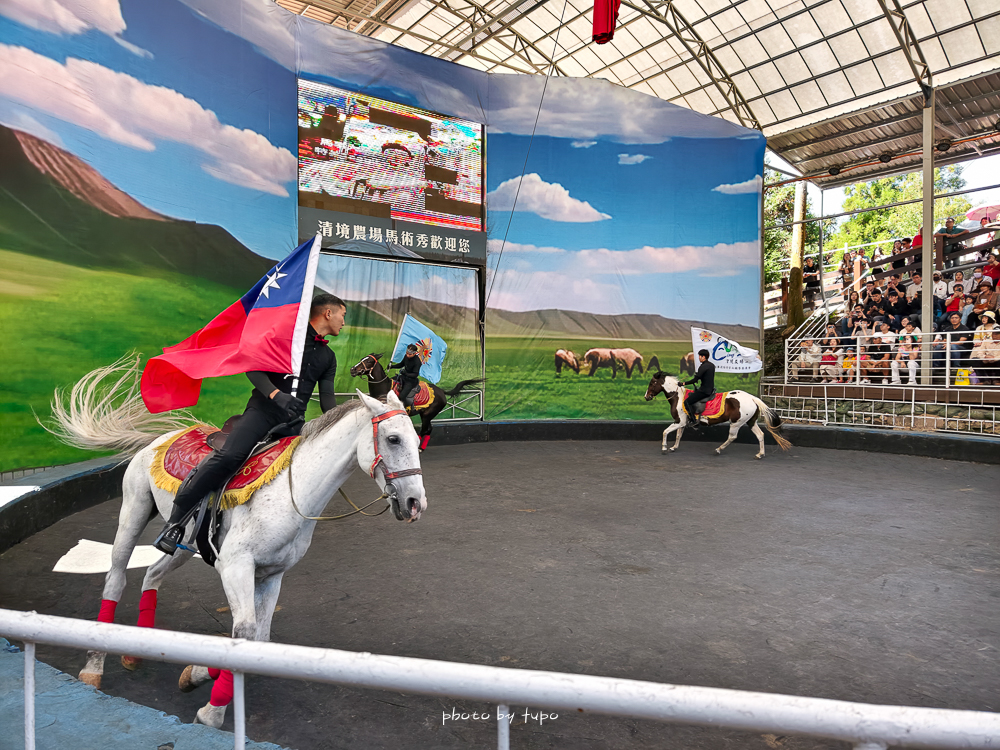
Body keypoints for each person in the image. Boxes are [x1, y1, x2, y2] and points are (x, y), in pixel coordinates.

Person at [154, 294, 347, 555]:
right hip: (262, 413)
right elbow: (253, 368)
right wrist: (276, 396)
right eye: (342, 315)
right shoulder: (284, 337)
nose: (343, 322)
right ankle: (174, 523)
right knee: (229, 456)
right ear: (327, 313)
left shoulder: (329, 357)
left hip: (294, 423)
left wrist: (349, 418)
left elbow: (328, 404)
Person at [932, 312, 972, 384]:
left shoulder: (964, 328)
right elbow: (945, 340)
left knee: (953, 346)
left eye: (956, 318)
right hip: (949, 345)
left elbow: (961, 341)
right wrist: (944, 344)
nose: (954, 319)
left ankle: (955, 367)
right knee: (938, 347)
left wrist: (949, 344)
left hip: (961, 347)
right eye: (952, 318)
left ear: (960, 319)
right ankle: (937, 367)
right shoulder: (948, 328)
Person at [681, 349, 715, 424]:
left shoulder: (703, 366)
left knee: (687, 402)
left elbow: (695, 380)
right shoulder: (711, 365)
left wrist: (683, 383)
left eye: (700, 356)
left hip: (704, 391)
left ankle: (693, 420)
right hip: (710, 389)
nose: (699, 358)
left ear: (704, 357)